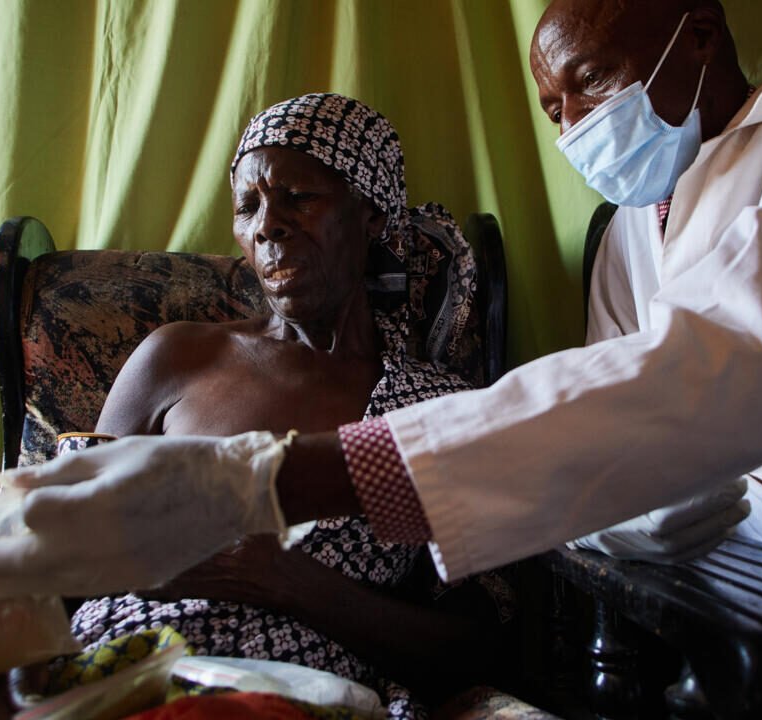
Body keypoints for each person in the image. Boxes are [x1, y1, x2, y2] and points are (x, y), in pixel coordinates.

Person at [0, 0, 762, 608]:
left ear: (695, 36)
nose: (573, 133)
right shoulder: (629, 243)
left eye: (592, 84)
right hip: (713, 578)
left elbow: (729, 360)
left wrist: (271, 482)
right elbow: (625, 457)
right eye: (552, 111)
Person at [58, 93, 526, 719]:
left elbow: (476, 647)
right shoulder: (176, 358)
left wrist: (285, 581)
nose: (266, 225)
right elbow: (60, 551)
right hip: (109, 673)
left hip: (291, 694)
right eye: (247, 206)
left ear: (371, 216)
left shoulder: (433, 406)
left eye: (298, 198)